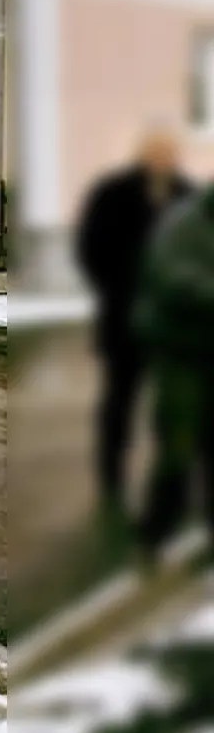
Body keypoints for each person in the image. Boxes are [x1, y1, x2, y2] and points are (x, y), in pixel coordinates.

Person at [76, 123, 192, 512]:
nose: (164, 158)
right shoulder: (113, 194)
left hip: (173, 326)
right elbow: (92, 248)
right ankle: (111, 478)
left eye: (169, 151)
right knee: (120, 401)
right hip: (124, 319)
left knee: (172, 406)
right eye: (156, 151)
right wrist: (121, 288)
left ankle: (170, 485)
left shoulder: (186, 195)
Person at [131, 166, 214, 564]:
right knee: (179, 446)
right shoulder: (185, 223)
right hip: (182, 352)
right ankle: (155, 531)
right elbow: (172, 275)